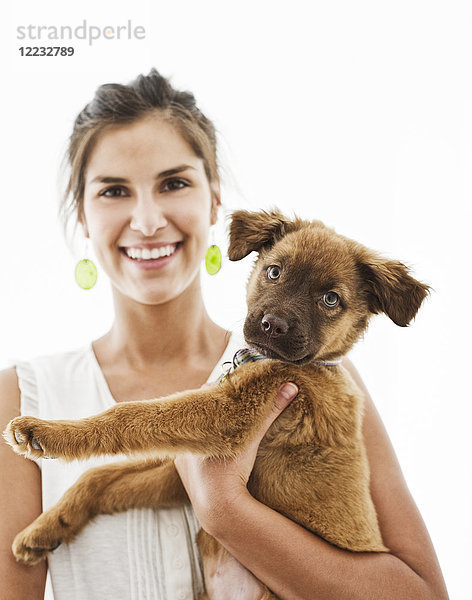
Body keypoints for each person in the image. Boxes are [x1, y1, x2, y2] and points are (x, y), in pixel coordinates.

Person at [0, 69, 449, 600]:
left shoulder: (319, 376)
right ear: (82, 213)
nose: (147, 220)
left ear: (215, 199)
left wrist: (226, 512)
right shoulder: (24, 393)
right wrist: (91, 491)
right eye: (114, 190)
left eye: (174, 183)